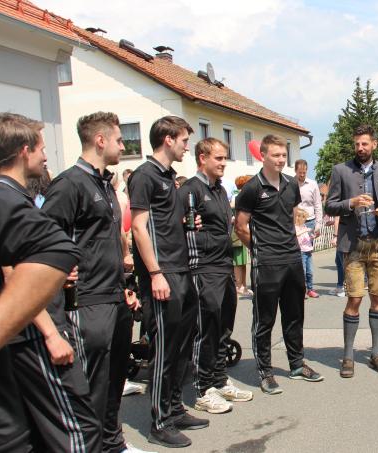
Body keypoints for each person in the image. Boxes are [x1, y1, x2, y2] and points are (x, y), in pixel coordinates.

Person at [0, 113, 103, 452]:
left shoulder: (17, 199)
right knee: (78, 428)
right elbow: (12, 274)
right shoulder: (3, 202)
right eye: (40, 148)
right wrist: (51, 334)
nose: (45, 155)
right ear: (25, 151)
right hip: (36, 337)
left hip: (37, 333)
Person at [42, 112, 153, 453]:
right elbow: (45, 239)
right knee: (92, 384)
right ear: (100, 140)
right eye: (120, 139)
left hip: (114, 296)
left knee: (116, 377)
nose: (124, 145)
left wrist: (123, 286)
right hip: (87, 302)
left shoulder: (105, 184)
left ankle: (112, 442)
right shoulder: (69, 183)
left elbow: (104, 245)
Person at [129, 115, 205, 448]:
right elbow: (138, 228)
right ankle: (159, 422)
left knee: (179, 346)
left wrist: (188, 224)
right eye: (185, 140)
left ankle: (174, 408)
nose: (188, 146)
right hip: (163, 275)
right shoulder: (145, 176)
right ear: (168, 139)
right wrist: (155, 273)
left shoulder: (168, 177)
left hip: (181, 270)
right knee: (162, 350)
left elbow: (163, 223)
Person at [235, 134, 324, 394]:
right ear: (263, 156)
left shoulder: (290, 184)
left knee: (295, 315)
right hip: (267, 263)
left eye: (284, 155)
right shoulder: (251, 188)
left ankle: (297, 364)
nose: (281, 159)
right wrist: (260, 249)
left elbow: (292, 214)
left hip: (292, 259)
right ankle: (265, 371)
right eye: (275, 155)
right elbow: (240, 227)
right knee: (264, 319)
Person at [179, 138, 253, 415]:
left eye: (225, 158)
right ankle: (202, 389)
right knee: (205, 329)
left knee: (224, 327)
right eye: (218, 158)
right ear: (202, 158)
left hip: (223, 266)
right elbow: (182, 230)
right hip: (202, 268)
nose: (223, 163)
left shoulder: (220, 191)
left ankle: (219, 379)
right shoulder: (190, 190)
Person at [325, 124, 378, 378]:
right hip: (353, 245)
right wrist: (351, 203)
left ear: (374, 145)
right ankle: (348, 356)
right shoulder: (340, 171)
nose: (360, 148)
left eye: (365, 144)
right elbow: (330, 206)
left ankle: (377, 353)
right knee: (355, 299)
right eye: (357, 144)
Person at [294, 159, 323, 298]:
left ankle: (309, 287)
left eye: (304, 172)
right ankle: (300, 288)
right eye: (300, 173)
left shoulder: (312, 184)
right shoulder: (290, 183)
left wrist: (318, 225)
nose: (302, 175)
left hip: (310, 222)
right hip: (295, 223)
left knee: (307, 255)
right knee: (298, 257)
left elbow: (318, 205)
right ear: (295, 171)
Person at [231, 175, 253, 297]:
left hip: (245, 231)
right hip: (237, 233)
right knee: (238, 261)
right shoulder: (238, 196)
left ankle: (243, 284)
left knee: (243, 261)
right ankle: (239, 285)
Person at [295, 208, 317, 295]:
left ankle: (310, 289)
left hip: (308, 251)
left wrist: (311, 237)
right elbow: (296, 235)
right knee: (302, 272)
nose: (305, 220)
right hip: (301, 252)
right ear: (298, 218)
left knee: (310, 272)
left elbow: (305, 237)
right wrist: (305, 230)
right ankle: (301, 290)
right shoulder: (295, 227)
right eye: (304, 218)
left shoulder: (304, 226)